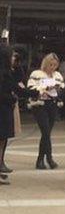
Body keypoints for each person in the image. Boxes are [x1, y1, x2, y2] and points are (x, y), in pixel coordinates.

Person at [27, 52, 65, 169]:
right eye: (51, 65)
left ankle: (41, 160)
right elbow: (31, 87)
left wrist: (58, 90)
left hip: (52, 104)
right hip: (40, 105)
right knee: (46, 131)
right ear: (46, 64)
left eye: (55, 65)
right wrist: (44, 88)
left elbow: (63, 87)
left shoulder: (57, 75)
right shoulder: (36, 74)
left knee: (47, 133)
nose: (53, 68)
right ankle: (48, 158)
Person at [0, 44, 24, 183]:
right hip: (3, 110)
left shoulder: (9, 72)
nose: (13, 58)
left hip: (5, 111)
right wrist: (13, 97)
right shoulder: (3, 74)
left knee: (3, 140)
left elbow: (17, 83)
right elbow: (5, 93)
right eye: (11, 55)